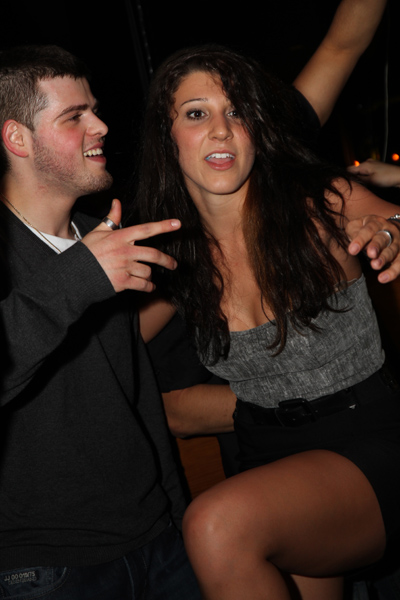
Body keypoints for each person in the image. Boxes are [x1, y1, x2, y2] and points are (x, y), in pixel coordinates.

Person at [134, 44, 400, 600]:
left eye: (237, 111)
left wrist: (393, 230)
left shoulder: (317, 203)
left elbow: (392, 218)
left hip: (369, 439)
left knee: (215, 526)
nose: (222, 129)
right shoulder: (176, 259)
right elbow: (101, 343)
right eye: (197, 113)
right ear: (167, 134)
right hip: (267, 457)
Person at [0, 45, 201, 599]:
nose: (101, 126)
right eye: (75, 116)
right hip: (45, 567)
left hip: (158, 542)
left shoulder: (105, 240)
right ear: (18, 138)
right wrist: (81, 275)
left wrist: (175, 513)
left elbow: (135, 397)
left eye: (95, 109)